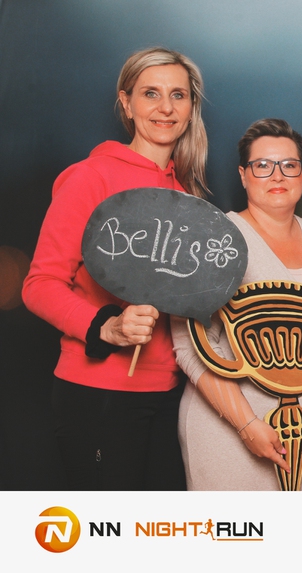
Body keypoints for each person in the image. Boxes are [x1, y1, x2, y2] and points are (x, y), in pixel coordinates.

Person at [22, 47, 209, 490]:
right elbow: (39, 284)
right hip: (99, 394)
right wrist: (106, 327)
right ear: (126, 103)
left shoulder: (187, 196)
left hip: (171, 396)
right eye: (150, 93)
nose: (165, 108)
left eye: (178, 95)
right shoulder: (91, 178)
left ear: (191, 108)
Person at [171, 118, 302, 490]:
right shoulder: (214, 240)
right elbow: (190, 347)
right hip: (229, 431)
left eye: (289, 165)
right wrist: (246, 425)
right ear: (243, 175)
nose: (277, 176)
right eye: (262, 165)